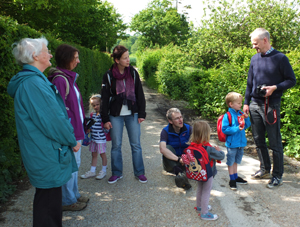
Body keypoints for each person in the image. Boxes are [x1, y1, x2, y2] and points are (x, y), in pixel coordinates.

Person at [7, 37, 80, 226]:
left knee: (49, 203)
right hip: (46, 154)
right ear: (35, 55)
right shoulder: (33, 84)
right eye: (46, 51)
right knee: (47, 209)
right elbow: (54, 122)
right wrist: (72, 140)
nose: (49, 54)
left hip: (45, 152)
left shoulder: (33, 81)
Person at [243, 28, 296, 189]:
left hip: (271, 105)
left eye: (255, 43)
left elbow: (291, 80)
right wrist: (246, 102)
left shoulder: (280, 58)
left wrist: (275, 87)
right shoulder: (254, 59)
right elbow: (249, 83)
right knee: (258, 140)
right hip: (254, 105)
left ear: (265, 40)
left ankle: (277, 175)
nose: (254, 47)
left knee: (274, 142)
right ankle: (265, 169)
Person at [48, 44, 88, 211]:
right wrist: (70, 137)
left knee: (75, 166)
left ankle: (74, 195)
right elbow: (59, 112)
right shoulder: (60, 80)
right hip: (69, 134)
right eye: (76, 58)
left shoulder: (69, 77)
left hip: (76, 131)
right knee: (69, 167)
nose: (78, 61)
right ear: (67, 59)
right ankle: (67, 200)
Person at [101, 45, 147, 184]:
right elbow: (104, 98)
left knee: (136, 145)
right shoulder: (108, 76)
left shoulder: (133, 73)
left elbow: (140, 93)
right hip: (115, 115)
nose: (128, 60)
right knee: (116, 145)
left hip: (132, 114)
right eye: (125, 58)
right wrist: (105, 118)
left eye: (128, 56)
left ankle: (139, 172)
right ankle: (116, 173)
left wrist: (142, 113)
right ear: (117, 60)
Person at [187, 121, 225, 221]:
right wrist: (219, 150)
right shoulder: (209, 148)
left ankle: (199, 206)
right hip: (208, 174)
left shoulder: (192, 146)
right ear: (206, 134)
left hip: (198, 174)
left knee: (200, 188)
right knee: (206, 192)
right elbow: (221, 156)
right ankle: (204, 213)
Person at [222, 92, 251, 190]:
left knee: (236, 161)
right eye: (238, 103)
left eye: (241, 103)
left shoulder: (241, 114)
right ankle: (232, 180)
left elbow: (246, 126)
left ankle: (235, 176)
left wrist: (246, 119)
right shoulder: (228, 115)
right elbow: (225, 129)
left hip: (240, 143)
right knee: (231, 161)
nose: (240, 105)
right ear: (231, 104)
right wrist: (236, 128)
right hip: (232, 144)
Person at [159, 108, 192, 189]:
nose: (180, 120)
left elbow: (195, 145)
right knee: (167, 147)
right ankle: (180, 174)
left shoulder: (189, 129)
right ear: (170, 121)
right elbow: (162, 149)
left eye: (181, 117)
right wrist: (179, 160)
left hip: (187, 161)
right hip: (172, 163)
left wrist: (187, 158)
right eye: (177, 118)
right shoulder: (165, 131)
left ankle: (183, 175)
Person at [81, 94, 108, 180]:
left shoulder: (103, 115)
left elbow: (106, 127)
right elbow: (92, 125)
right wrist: (89, 129)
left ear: (101, 104)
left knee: (102, 154)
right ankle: (92, 171)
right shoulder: (93, 115)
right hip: (93, 138)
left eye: (97, 104)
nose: (96, 107)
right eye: (94, 105)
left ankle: (104, 170)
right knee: (94, 154)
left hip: (101, 139)